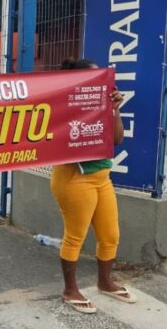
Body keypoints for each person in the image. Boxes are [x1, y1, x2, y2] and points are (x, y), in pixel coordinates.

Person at [50, 58, 131, 314]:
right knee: (75, 237)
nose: (102, 83)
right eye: (95, 78)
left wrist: (115, 108)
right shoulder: (65, 107)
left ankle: (105, 282)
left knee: (110, 235)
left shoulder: (102, 104)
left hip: (102, 178)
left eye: (102, 78)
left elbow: (117, 139)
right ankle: (70, 289)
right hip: (74, 178)